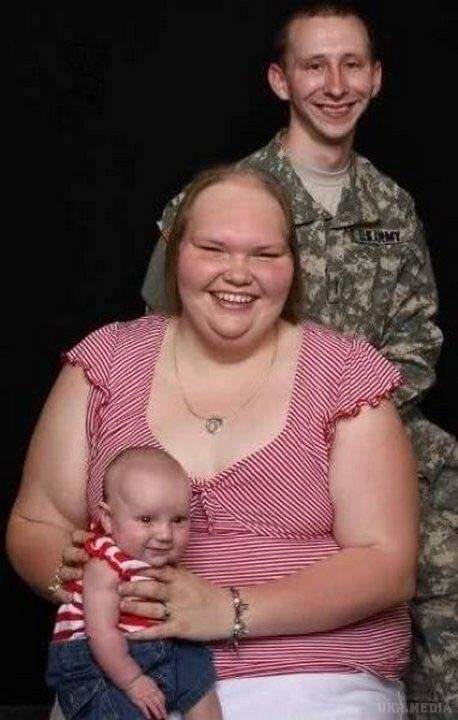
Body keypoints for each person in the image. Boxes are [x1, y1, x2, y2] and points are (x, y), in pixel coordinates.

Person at [8, 165, 418, 719]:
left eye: (265, 254)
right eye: (213, 248)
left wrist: (228, 609)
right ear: (176, 253)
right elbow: (36, 521)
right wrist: (89, 582)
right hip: (124, 672)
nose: (239, 273)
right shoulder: (104, 363)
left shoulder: (346, 375)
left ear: (292, 267)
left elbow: (387, 563)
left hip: (308, 673)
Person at [140, 4, 457, 716]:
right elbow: (162, 331)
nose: (335, 85)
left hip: (376, 433)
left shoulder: (392, 206)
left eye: (352, 65)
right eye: (315, 65)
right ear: (281, 80)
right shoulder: (222, 199)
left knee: (442, 559)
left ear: (377, 78)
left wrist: (352, 426)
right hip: (240, 429)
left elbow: (418, 338)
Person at [46, 446, 221, 720]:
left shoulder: (157, 556)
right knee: (115, 708)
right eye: (146, 519)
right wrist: (133, 682)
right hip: (99, 654)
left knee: (200, 677)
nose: (165, 534)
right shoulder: (104, 565)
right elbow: (100, 632)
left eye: (177, 520)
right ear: (108, 519)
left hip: (160, 642)